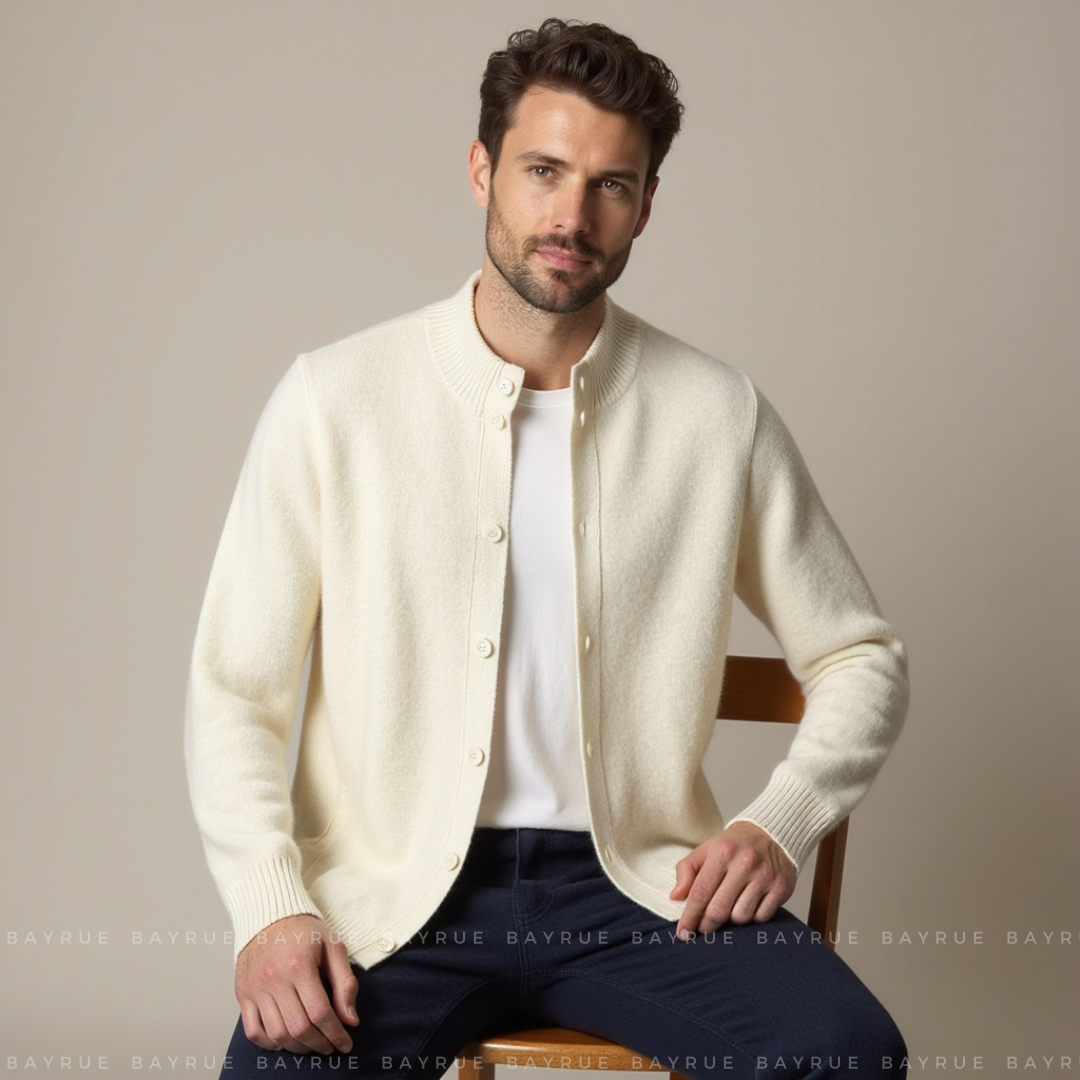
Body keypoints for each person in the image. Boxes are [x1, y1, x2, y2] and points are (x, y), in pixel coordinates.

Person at [184, 18, 911, 1079]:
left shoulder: (716, 415)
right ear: (482, 170)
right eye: (543, 171)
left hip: (640, 895)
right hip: (393, 894)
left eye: (611, 184)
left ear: (646, 206)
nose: (572, 216)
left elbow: (861, 656)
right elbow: (234, 692)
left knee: (845, 1054)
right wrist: (270, 908)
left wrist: (778, 822)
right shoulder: (335, 400)